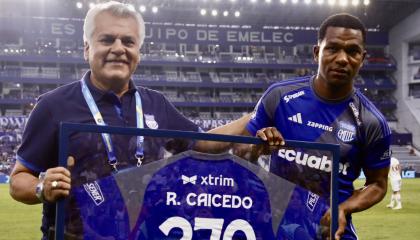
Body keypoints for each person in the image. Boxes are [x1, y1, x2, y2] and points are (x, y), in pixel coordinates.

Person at [8, 2, 279, 239]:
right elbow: (19, 179)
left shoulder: (155, 104)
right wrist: (42, 187)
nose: (118, 49)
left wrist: (259, 113)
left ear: (139, 52)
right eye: (107, 40)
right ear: (86, 48)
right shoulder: (53, 105)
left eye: (128, 41)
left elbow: (205, 143)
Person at [245, 13, 391, 240]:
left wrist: (344, 208)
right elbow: (242, 157)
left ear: (362, 59)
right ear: (317, 53)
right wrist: (258, 145)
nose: (342, 59)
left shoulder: (372, 122)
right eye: (332, 48)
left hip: (330, 232)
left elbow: (378, 185)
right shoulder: (280, 97)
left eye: (352, 51)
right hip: (274, 228)